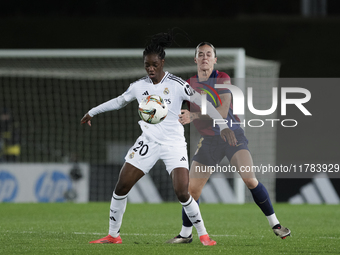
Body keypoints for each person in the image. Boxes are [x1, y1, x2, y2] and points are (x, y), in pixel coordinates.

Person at [81, 33, 236, 246]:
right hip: (148, 142)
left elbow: (203, 103)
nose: (150, 69)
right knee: (121, 187)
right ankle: (113, 235)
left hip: (173, 144)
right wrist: (92, 112)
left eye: (154, 65)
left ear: (162, 62)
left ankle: (203, 235)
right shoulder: (139, 86)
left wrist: (223, 124)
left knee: (182, 192)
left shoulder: (177, 84)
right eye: (147, 65)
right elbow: (119, 102)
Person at [166, 42, 291, 244]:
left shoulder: (222, 78)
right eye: (201, 54)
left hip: (231, 136)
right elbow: (174, 109)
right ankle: (185, 234)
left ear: (215, 60)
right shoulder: (188, 84)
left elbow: (222, 112)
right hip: (209, 141)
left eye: (209, 54)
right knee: (191, 190)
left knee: (250, 179)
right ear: (195, 59)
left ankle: (275, 224)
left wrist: (193, 115)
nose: (205, 57)